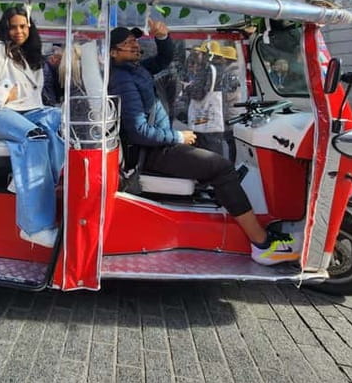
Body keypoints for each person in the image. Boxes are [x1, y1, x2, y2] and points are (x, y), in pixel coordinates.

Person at [108, 20, 300, 266]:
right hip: (150, 152)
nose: (135, 45)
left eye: (135, 41)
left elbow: (163, 60)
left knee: (212, 161)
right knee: (221, 167)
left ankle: (237, 215)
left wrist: (163, 37)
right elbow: (138, 131)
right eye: (128, 43)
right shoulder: (122, 79)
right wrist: (178, 136)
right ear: (114, 52)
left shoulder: (136, 70)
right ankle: (261, 244)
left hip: (158, 144)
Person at [0, 6, 63, 248]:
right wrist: (4, 93)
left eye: (23, 26)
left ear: (30, 28)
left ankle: (22, 181)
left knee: (58, 118)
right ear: (5, 28)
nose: (18, 31)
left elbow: (36, 100)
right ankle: (33, 228)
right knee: (35, 137)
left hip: (26, 112)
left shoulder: (31, 57)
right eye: (13, 26)